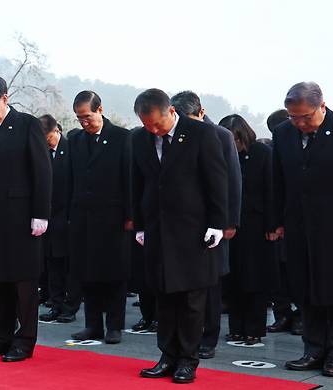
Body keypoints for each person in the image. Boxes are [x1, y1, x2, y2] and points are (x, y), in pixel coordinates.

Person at [132, 89, 227, 384]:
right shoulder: (139, 138)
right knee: (164, 295)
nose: (154, 130)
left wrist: (218, 223)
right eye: (147, 125)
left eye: (157, 125)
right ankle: (167, 355)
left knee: (191, 299)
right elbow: (136, 182)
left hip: (193, 229)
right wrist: (139, 225)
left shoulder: (200, 133)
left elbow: (217, 180)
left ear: (171, 112)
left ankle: (188, 359)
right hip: (157, 229)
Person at [0, 74, 52, 363]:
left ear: (4, 98)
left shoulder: (27, 124)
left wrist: (40, 214)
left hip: (21, 216)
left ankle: (24, 340)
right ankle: (0, 336)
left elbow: (42, 172)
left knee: (22, 282)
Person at [170, 91, 242, 359]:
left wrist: (229, 221)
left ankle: (208, 337)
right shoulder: (176, 136)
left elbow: (232, 182)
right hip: (184, 223)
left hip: (214, 222)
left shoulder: (219, 135)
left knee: (210, 282)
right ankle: (184, 336)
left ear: (201, 112)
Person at [272, 82, 333, 376]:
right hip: (298, 225)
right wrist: (277, 221)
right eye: (293, 117)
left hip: (331, 227)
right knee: (306, 287)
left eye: (305, 117)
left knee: (332, 289)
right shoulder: (283, 134)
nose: (299, 123)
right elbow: (278, 180)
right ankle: (313, 348)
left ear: (322, 106)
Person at [66, 91, 132, 344]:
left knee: (114, 274)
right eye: (79, 118)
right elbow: (70, 179)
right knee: (88, 273)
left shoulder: (122, 138)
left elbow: (129, 178)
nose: (84, 122)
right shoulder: (75, 140)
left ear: (100, 109)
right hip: (84, 217)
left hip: (114, 218)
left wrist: (130, 215)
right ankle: (92, 325)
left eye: (88, 116)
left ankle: (114, 326)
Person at [219, 114, 277, 345]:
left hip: (257, 225)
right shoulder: (222, 156)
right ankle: (236, 327)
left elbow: (272, 191)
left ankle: (254, 328)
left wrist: (273, 225)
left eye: (235, 139)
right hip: (231, 224)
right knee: (233, 278)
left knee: (255, 279)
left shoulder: (263, 154)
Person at [38, 115, 80, 324]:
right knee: (52, 264)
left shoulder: (71, 148)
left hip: (69, 216)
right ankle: (55, 304)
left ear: (55, 131)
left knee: (70, 266)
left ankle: (70, 307)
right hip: (50, 218)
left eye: (45, 136)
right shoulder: (42, 152)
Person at [266, 109, 303, 336]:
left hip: (300, 222)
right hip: (281, 221)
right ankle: (283, 314)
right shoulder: (274, 149)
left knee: (297, 275)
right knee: (278, 273)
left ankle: (300, 317)